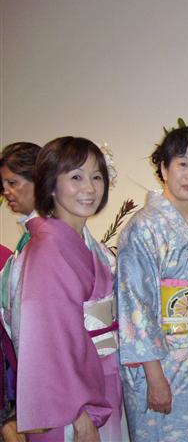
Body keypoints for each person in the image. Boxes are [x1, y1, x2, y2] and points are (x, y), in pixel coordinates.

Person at [117, 126, 188, 441]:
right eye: (182, 164)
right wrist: (154, 376)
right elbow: (136, 303)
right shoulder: (143, 227)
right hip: (161, 362)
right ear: (164, 168)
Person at [16, 136, 124, 441]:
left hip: (100, 373)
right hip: (70, 396)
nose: (89, 188)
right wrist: (78, 412)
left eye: (96, 177)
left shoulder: (84, 244)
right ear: (51, 184)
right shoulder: (48, 248)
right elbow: (50, 339)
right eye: (76, 177)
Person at [0, 142, 39, 441]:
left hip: (45, 378)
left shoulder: (46, 242)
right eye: (3, 185)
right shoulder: (26, 242)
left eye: (12, 183)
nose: (6, 192)